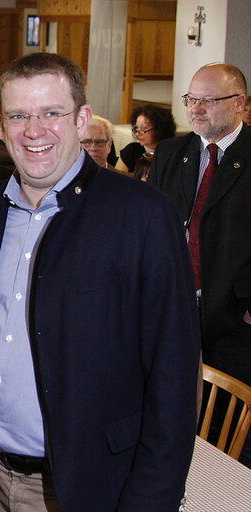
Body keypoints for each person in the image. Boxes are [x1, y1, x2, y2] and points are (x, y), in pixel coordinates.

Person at [0, 52, 200, 512]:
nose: (34, 131)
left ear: (81, 119)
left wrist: (152, 498)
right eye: (18, 116)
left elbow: (174, 374)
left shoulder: (142, 216)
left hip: (82, 487)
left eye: (51, 113)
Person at [148, 62, 251, 465]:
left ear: (240, 104)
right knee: (170, 413)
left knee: (229, 431)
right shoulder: (173, 153)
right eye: (192, 99)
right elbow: (152, 228)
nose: (196, 109)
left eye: (209, 100)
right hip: (172, 309)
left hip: (233, 318)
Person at [115, 104, 176, 174]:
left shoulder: (172, 153)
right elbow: (117, 177)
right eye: (137, 128)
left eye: (144, 128)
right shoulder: (132, 151)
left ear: (159, 130)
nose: (138, 133)